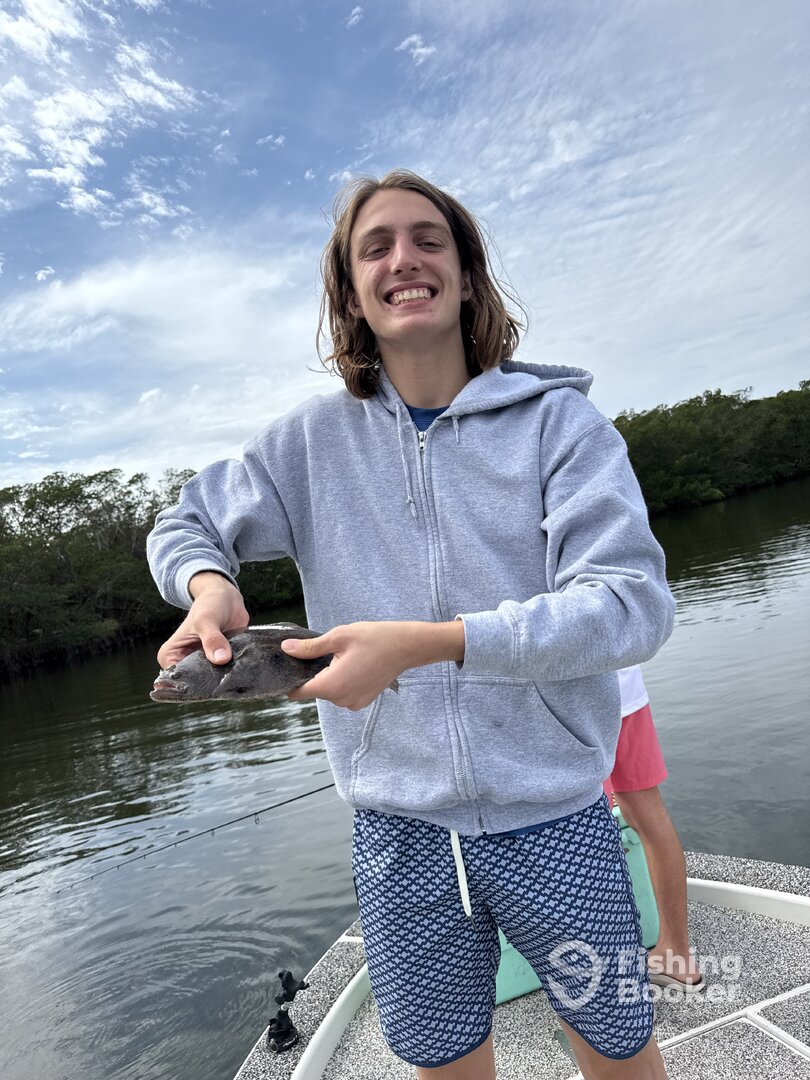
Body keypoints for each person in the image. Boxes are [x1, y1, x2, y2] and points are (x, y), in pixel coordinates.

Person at [147, 170, 676, 1080]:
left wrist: (426, 645)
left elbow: (630, 605)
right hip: (397, 833)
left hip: (557, 814)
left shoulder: (561, 427)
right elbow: (185, 520)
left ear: (467, 276)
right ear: (352, 294)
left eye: (429, 240)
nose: (404, 259)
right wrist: (207, 586)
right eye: (376, 247)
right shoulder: (307, 445)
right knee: (444, 1062)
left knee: (620, 1048)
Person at [607, 667, 704, 992]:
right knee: (650, 816)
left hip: (566, 706)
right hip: (625, 691)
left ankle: (607, 978)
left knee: (585, 828)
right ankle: (676, 955)